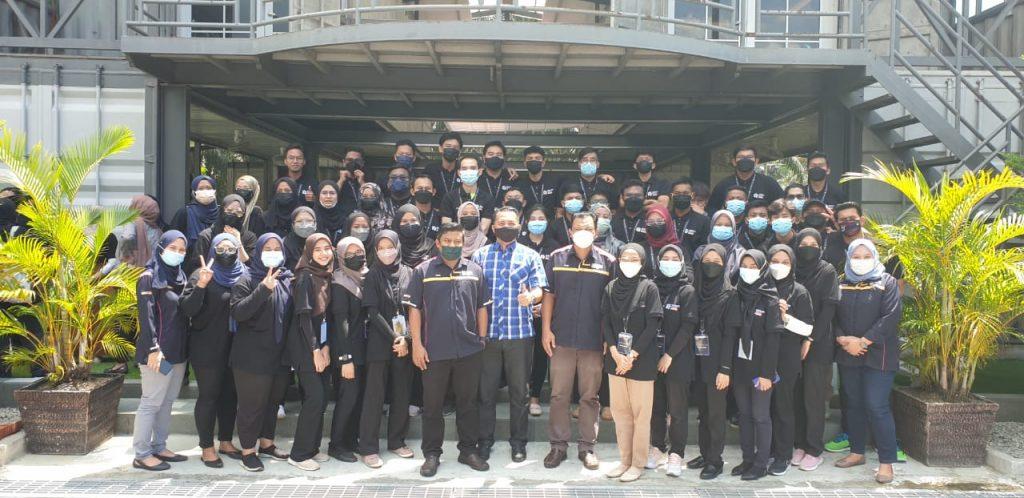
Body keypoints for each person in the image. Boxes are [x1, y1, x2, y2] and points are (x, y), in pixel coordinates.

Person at [408, 222, 492, 477]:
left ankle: (468, 450)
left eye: (458, 241)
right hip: (434, 351)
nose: (454, 246)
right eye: (449, 241)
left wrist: (481, 338)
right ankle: (432, 454)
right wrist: (417, 345)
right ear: (439, 243)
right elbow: (414, 310)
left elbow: (481, 307)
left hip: (469, 350)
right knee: (432, 406)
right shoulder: (423, 271)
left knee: (468, 403)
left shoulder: (475, 270)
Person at [541, 212, 615, 470]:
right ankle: (558, 447)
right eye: (577, 227)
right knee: (559, 394)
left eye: (588, 228)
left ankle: (587, 447)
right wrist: (546, 330)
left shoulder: (608, 262)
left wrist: (609, 337)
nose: (582, 231)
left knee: (589, 396)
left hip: (593, 341)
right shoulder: (557, 258)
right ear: (570, 231)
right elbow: (548, 295)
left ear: (596, 232)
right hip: (561, 338)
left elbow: (612, 303)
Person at [473, 207, 547, 463]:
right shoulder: (480, 255)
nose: (506, 226)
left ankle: (518, 442)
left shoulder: (530, 255)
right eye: (501, 222)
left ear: (519, 226)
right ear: (493, 227)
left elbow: (540, 289)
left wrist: (532, 297)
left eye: (511, 222)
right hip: (488, 336)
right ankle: (484, 441)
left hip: (520, 335)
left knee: (519, 393)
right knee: (486, 392)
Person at [833, 239, 902, 484]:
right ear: (848, 257)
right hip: (847, 352)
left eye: (866, 256)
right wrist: (842, 339)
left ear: (874, 256)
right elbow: (832, 314)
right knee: (853, 403)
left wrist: (862, 342)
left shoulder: (887, 282)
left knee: (877, 405)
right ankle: (856, 452)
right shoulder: (841, 282)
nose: (860, 261)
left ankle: (886, 463)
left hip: (878, 354)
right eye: (856, 256)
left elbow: (891, 316)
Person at [179, 233, 246, 467]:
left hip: (236, 346)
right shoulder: (201, 274)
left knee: (230, 396)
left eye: (231, 248)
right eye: (222, 248)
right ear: (214, 250)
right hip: (207, 348)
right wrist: (201, 285)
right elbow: (187, 309)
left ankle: (226, 441)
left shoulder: (243, 274)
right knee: (209, 396)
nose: (226, 252)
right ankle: (207, 446)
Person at [230, 233, 293, 472]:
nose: (273, 251)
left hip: (279, 355)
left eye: (278, 247)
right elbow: (238, 312)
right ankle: (248, 450)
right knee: (251, 405)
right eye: (268, 247)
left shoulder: (287, 278)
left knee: (272, 403)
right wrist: (263, 290)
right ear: (258, 250)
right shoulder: (245, 279)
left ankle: (267, 443)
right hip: (251, 357)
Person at [601, 243, 663, 482]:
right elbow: (605, 322)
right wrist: (615, 352)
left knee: (640, 415)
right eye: (625, 257)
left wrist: (632, 355)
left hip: (641, 360)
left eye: (634, 258)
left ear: (642, 261)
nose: (628, 261)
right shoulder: (611, 287)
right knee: (620, 413)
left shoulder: (649, 288)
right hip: (616, 361)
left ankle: (638, 463)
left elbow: (652, 326)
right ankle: (624, 460)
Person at [132, 231, 190, 471]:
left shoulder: (180, 276)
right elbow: (147, 319)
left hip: (177, 354)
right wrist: (154, 349)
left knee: (167, 401)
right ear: (161, 248)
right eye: (173, 248)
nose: (177, 253)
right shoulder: (148, 278)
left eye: (182, 250)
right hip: (158, 354)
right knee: (152, 401)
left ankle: (159, 446)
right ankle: (142, 454)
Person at [358, 230, 416, 468]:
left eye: (389, 246)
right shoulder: (372, 275)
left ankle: (396, 441)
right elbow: (372, 312)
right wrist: (396, 338)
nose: (386, 251)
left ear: (398, 247)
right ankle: (369, 447)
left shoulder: (410, 273)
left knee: (402, 393)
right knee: (375, 395)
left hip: (404, 344)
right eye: (381, 247)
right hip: (380, 344)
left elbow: (415, 309)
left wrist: (407, 339)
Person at [730, 249, 783, 481]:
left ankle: (761, 463)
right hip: (740, 367)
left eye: (754, 266)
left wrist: (766, 374)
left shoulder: (770, 298)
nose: (748, 270)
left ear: (762, 269)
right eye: (745, 265)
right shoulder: (736, 294)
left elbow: (773, 340)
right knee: (744, 414)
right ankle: (748, 459)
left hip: (761, 370)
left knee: (761, 415)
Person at [285, 233, 336, 471]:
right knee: (314, 396)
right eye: (318, 250)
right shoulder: (305, 276)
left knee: (322, 395)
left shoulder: (325, 275)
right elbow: (304, 318)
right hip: (305, 344)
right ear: (308, 253)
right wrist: (316, 349)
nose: (324, 253)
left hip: (320, 342)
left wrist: (325, 347)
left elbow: (325, 317)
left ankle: (313, 448)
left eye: (327, 249)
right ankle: (299, 453)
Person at [647, 244, 698, 477]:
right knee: (656, 407)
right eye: (665, 258)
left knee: (677, 410)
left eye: (673, 258)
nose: (669, 262)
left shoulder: (687, 291)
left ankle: (676, 453)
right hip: (652, 358)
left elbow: (688, 327)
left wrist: (669, 355)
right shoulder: (652, 286)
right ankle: (657, 446)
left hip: (678, 359)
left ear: (681, 263)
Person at [791, 228, 840, 472]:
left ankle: (814, 449)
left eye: (813, 243)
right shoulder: (792, 268)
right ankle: (799, 444)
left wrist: (810, 338)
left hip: (818, 343)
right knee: (796, 397)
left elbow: (828, 310)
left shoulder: (827, 271)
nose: (807, 247)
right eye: (803, 243)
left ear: (820, 246)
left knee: (813, 398)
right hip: (792, 342)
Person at [688, 244, 737, 480]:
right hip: (697, 362)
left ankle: (715, 460)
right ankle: (705, 453)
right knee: (703, 413)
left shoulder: (730, 295)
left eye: (716, 261)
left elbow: (730, 335)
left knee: (717, 414)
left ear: (725, 264)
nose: (711, 265)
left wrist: (725, 369)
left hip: (718, 364)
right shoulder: (694, 291)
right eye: (707, 260)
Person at [765, 244, 814, 477]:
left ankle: (783, 454)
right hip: (762, 356)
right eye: (774, 260)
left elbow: (807, 327)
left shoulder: (799, 291)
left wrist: (784, 317)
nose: (779, 266)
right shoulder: (761, 287)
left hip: (787, 357)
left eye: (785, 262)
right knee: (764, 406)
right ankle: (766, 449)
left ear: (792, 265)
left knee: (783, 405)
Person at [326, 236, 368, 463]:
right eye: (349, 254)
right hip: (347, 350)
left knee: (357, 397)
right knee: (347, 397)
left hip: (362, 349)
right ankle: (336, 444)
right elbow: (341, 323)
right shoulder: (339, 281)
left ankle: (351, 440)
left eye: (358, 252)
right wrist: (345, 358)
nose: (355, 257)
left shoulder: (364, 277)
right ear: (341, 256)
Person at [519, 205, 560, 417]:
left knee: (542, 353)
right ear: (525, 222)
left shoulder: (555, 247)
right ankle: (522, 389)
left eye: (541, 217)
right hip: (520, 308)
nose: (537, 221)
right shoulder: (520, 245)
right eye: (532, 218)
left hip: (545, 309)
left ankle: (535, 396)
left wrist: (543, 304)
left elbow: (554, 281)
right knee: (523, 353)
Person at [708, 145, 784, 213]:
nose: (745, 160)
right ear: (734, 162)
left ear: (756, 161)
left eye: (749, 157)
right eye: (740, 157)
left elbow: (782, 203)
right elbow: (712, 209)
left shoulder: (769, 183)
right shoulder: (723, 185)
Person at [192, 194, 256, 273]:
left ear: (243, 214)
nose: (233, 215)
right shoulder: (207, 235)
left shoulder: (249, 237)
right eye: (229, 211)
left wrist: (238, 242)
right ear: (222, 210)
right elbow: (197, 265)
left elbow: (250, 265)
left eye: (238, 212)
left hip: (239, 280)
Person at [170, 175, 219, 270]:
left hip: (217, 265)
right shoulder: (185, 213)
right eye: (200, 188)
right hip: (190, 266)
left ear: (214, 191)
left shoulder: (222, 214)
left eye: (208, 188)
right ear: (194, 192)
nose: (205, 191)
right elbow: (173, 238)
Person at [440, 154, 494, 233]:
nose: (468, 171)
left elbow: (484, 228)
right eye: (464, 169)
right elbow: (446, 226)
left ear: (480, 171)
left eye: (472, 168)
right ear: (459, 173)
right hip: (455, 242)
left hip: (479, 242)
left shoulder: (487, 198)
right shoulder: (449, 197)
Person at [116, 194, 164, 268]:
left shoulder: (133, 221)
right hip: (151, 269)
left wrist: (126, 255)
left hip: (133, 268)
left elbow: (127, 238)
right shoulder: (157, 229)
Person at [668, 178, 710, 257]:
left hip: (693, 266)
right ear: (671, 196)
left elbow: (705, 248)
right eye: (677, 193)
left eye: (685, 193)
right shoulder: (665, 218)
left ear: (692, 195)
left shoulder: (703, 221)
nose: (681, 196)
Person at [641, 204, 684, 278]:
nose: (655, 224)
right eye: (651, 222)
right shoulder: (641, 248)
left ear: (668, 222)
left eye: (660, 221)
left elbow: (688, 273)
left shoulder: (678, 248)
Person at [516, 145, 562, 214]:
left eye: (537, 158)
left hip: (551, 223)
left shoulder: (555, 182)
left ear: (543, 163)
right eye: (530, 158)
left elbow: (559, 210)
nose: (533, 160)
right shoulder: (519, 184)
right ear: (525, 164)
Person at [702, 210, 744, 281]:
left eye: (727, 225)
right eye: (718, 225)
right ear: (712, 227)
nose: (723, 227)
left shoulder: (740, 254)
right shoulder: (701, 251)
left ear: (733, 228)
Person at [423, 133, 463, 203]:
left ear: (459, 151)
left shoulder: (464, 169)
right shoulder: (430, 169)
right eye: (448, 146)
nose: (451, 149)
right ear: (440, 148)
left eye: (455, 147)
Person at [611, 180, 648, 244]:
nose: (633, 198)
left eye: (638, 195)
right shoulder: (613, 220)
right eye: (629, 195)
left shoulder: (650, 219)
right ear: (622, 197)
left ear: (645, 197)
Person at [338, 146, 369, 217]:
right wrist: (341, 181)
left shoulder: (368, 181)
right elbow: (330, 197)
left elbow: (373, 199)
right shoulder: (335, 180)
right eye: (349, 160)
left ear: (362, 163)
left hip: (362, 220)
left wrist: (362, 182)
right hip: (342, 221)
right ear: (343, 162)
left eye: (357, 160)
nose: (353, 163)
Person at [411, 174, 442, 240]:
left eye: (428, 188)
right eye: (419, 188)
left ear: (434, 192)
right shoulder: (405, 216)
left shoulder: (440, 217)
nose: (423, 191)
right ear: (412, 191)